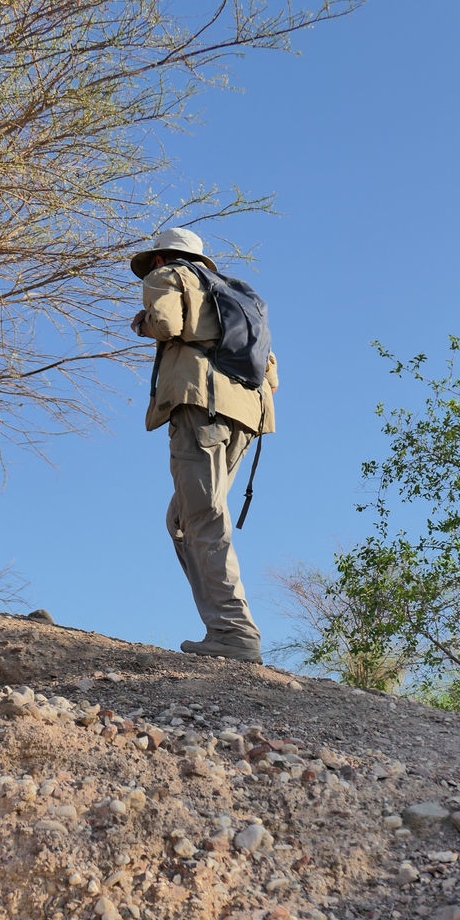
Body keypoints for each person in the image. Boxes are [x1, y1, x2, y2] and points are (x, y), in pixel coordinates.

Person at [130, 227, 278, 664]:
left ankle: (232, 631)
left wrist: (143, 323)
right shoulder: (239, 296)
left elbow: (165, 323)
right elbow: (272, 374)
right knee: (182, 518)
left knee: (202, 517)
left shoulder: (168, 275)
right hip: (248, 416)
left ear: (160, 257)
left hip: (201, 407)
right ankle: (224, 626)